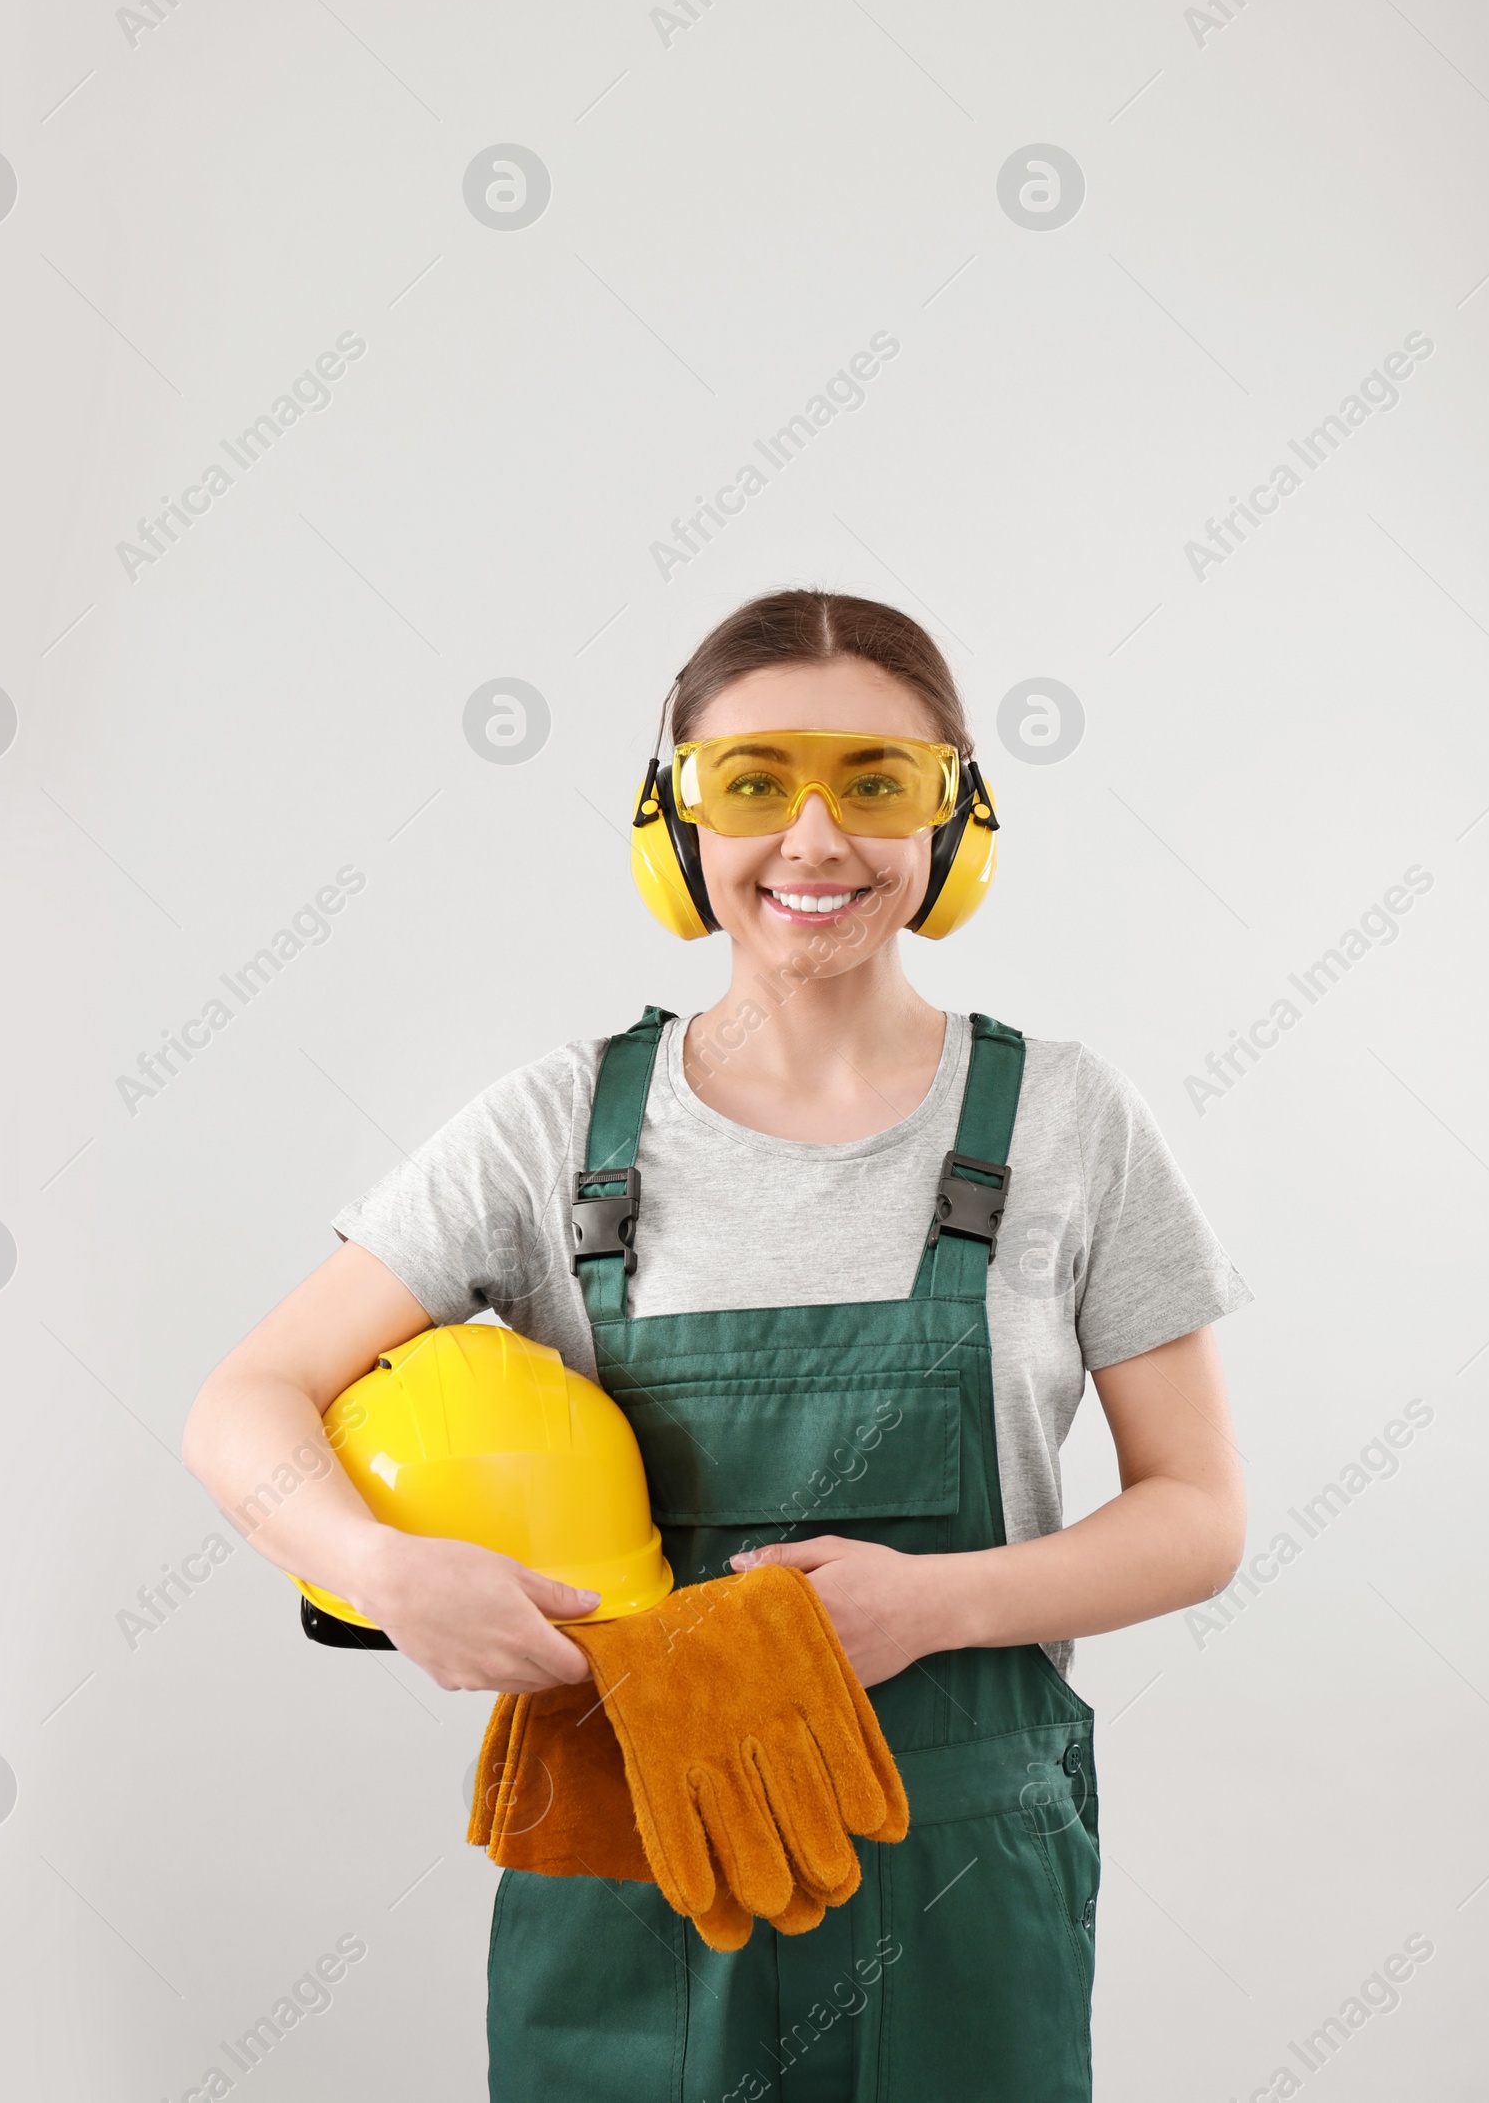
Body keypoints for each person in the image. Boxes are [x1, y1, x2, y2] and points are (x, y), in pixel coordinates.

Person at [183, 587, 1250, 2101]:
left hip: (960, 1889)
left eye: (875, 782)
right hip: (636, 1884)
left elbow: (1198, 1515)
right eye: (753, 784)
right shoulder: (559, 1128)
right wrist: (377, 1569)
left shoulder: (1070, 1123)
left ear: (958, 824)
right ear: (672, 827)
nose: (813, 843)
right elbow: (246, 1400)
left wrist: (931, 1607)